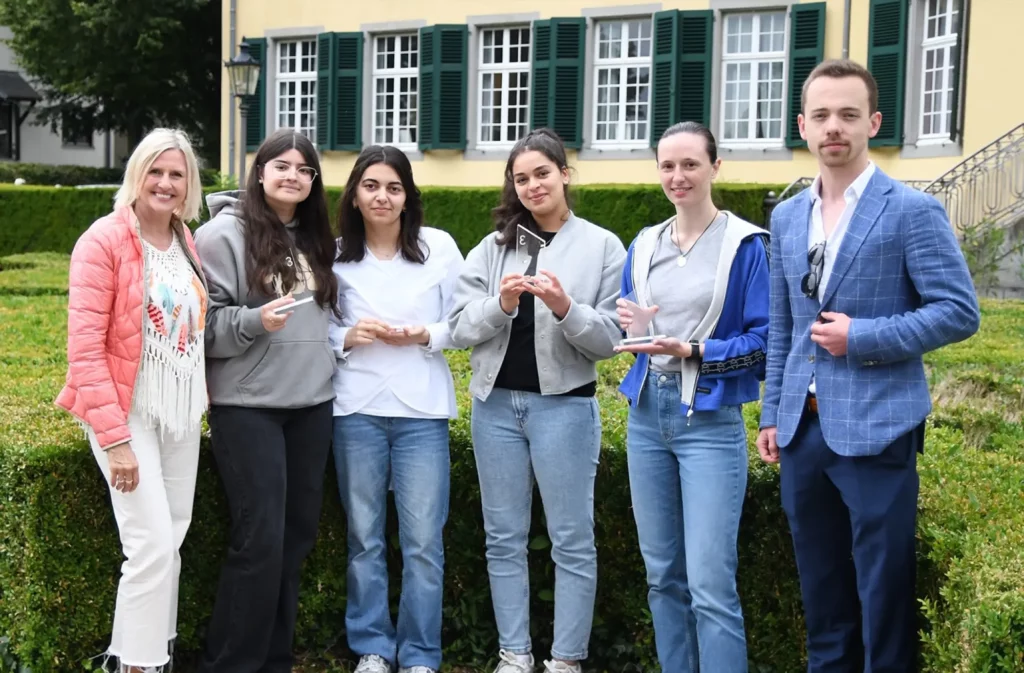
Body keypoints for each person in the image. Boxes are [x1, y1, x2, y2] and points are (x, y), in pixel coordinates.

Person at [757, 59, 981, 672]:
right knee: (822, 592)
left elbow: (960, 312)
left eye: (849, 115)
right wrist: (772, 413)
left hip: (880, 429)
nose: (835, 126)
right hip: (802, 432)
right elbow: (784, 327)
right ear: (802, 125)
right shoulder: (786, 215)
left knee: (884, 596)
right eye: (822, 115)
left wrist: (862, 336)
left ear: (873, 122)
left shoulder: (910, 209)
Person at [448, 128, 626, 673]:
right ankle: (514, 656)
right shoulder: (496, 245)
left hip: (565, 408)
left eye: (542, 173)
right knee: (503, 538)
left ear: (564, 174)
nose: (532, 186)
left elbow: (613, 340)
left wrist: (566, 306)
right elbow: (457, 327)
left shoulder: (601, 245)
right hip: (495, 407)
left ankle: (566, 660)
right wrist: (500, 305)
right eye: (521, 178)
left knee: (572, 539)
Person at [614, 121, 769, 673]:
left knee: (709, 582)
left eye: (690, 165)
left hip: (709, 421)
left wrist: (695, 348)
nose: (677, 177)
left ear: (715, 167)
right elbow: (630, 323)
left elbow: (764, 341)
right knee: (662, 577)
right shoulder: (645, 243)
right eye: (667, 166)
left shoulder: (746, 244)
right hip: (646, 417)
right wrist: (630, 325)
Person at [56, 128, 208, 673]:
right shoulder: (103, 240)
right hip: (127, 411)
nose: (165, 183)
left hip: (180, 413)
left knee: (172, 540)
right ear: (136, 175)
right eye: (156, 171)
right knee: (148, 546)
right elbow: (85, 352)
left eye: (177, 173)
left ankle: (148, 657)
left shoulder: (185, 239)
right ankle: (137, 668)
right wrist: (116, 440)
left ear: (188, 183)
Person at [194, 128, 340, 673]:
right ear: (259, 172)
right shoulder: (221, 236)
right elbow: (201, 326)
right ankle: (230, 664)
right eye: (282, 165)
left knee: (295, 539)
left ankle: (275, 660)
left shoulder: (315, 236)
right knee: (259, 540)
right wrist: (254, 321)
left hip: (311, 405)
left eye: (305, 169)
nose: (294, 176)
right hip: (248, 406)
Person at [328, 145, 464, 673]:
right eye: (371, 186)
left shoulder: (439, 249)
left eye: (393, 187)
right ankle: (372, 649)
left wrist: (426, 334)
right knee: (364, 538)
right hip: (355, 410)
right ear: (355, 196)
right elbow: (315, 330)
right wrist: (347, 336)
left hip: (422, 413)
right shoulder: (334, 255)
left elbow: (467, 321)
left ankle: (421, 654)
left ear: (408, 197)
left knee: (424, 541)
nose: (382, 196)